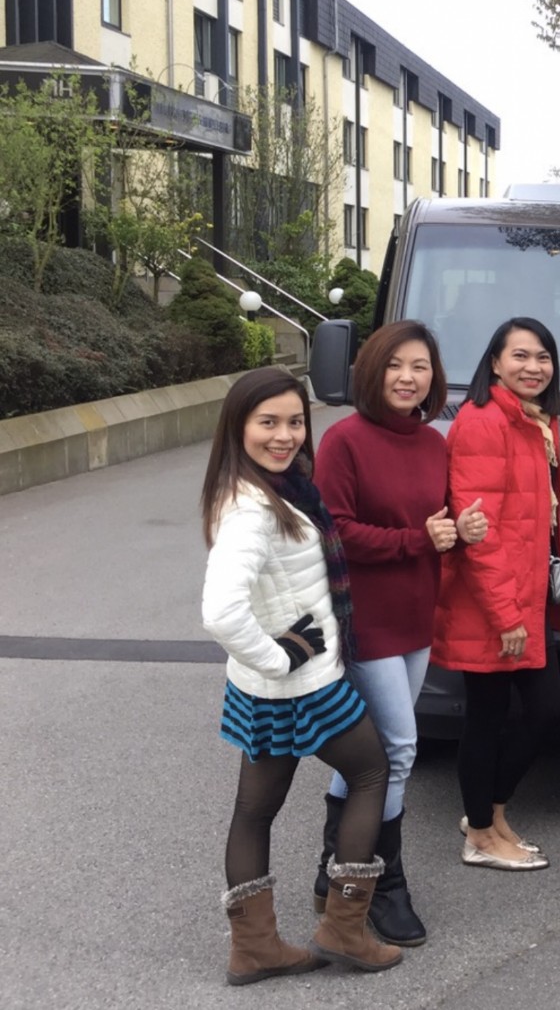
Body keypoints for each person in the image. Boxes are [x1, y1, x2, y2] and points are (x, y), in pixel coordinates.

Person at [201, 368, 401, 984]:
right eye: (268, 422)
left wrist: (266, 662)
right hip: (302, 685)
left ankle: (255, 948)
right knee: (371, 772)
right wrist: (278, 656)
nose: (284, 435)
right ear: (239, 427)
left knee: (254, 810)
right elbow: (221, 612)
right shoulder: (253, 510)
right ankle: (344, 927)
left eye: (295, 421)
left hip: (264, 691)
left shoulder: (267, 488)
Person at [309, 321, 487, 945]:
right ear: (371, 370)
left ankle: (332, 867)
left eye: (421, 366)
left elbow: (436, 525)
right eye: (395, 365)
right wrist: (419, 539)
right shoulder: (344, 440)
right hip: (365, 617)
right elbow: (333, 530)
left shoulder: (434, 443)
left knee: (368, 754)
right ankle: (382, 884)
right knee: (398, 749)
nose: (408, 377)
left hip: (417, 615)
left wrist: (459, 530)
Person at [433, 317, 560, 871]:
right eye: (520, 356)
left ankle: (488, 816)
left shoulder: (531, 419)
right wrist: (507, 616)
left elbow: (526, 488)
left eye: (543, 357)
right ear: (494, 363)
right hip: (494, 603)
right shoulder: (483, 422)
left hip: (522, 597)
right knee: (498, 716)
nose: (533, 367)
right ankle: (481, 834)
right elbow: (481, 533)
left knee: (532, 712)